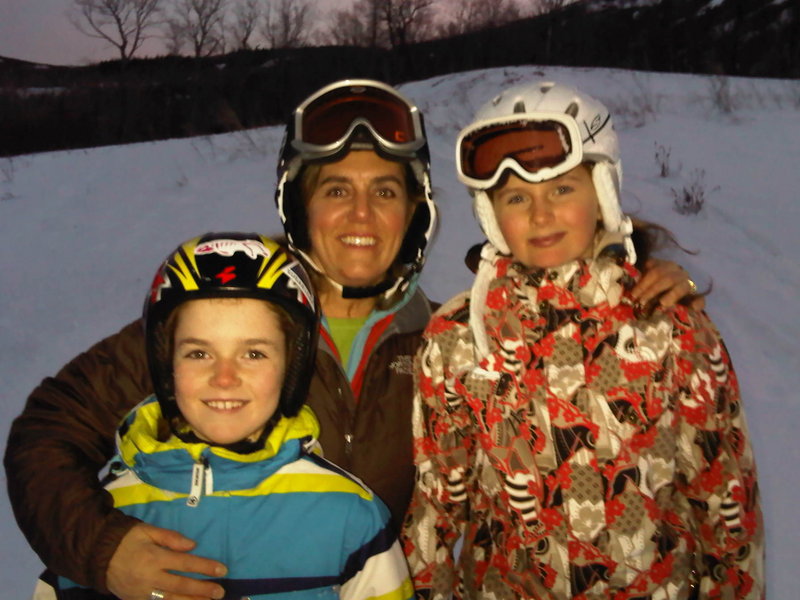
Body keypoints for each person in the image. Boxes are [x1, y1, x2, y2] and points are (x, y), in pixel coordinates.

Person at [5, 79, 699, 600]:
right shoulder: (225, 315)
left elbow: (563, 409)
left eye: (386, 191)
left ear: (417, 213)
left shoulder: (452, 340)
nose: (361, 214)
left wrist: (626, 273)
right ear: (298, 207)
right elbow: (48, 430)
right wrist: (101, 550)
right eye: (336, 189)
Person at [402, 81, 764, 599]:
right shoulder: (458, 341)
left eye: (562, 189)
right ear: (491, 214)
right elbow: (437, 508)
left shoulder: (669, 330)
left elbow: (725, 504)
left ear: (603, 193)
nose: (540, 214)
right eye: (517, 197)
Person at [33, 232, 413, 600]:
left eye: (253, 354)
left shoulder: (351, 515)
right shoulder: (104, 517)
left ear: (291, 368)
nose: (224, 377)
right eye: (199, 353)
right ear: (166, 367)